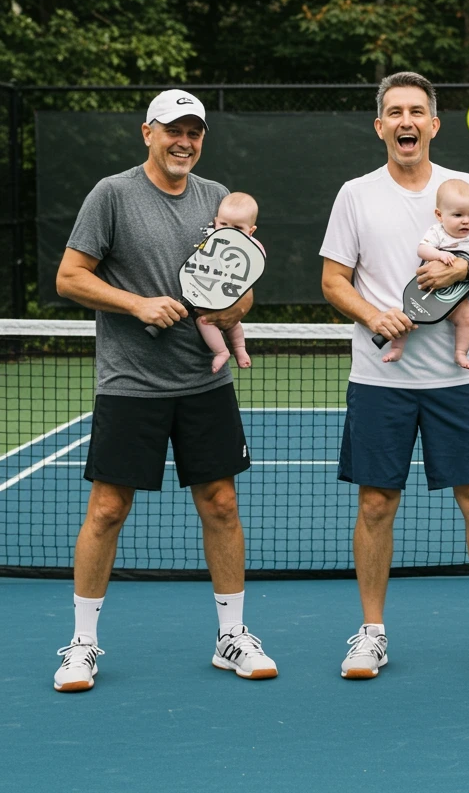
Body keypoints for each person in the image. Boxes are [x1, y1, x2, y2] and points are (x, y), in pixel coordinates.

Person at [52, 89, 277, 693]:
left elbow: (240, 291)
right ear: (147, 132)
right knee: (107, 509)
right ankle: (82, 644)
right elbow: (69, 276)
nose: (184, 141)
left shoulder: (217, 197)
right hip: (130, 383)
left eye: (194, 132)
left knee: (222, 504)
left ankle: (232, 636)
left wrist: (236, 302)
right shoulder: (112, 194)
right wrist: (137, 304)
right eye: (173, 130)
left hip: (204, 382)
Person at [320, 71, 469, 680]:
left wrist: (461, 272)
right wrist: (374, 316)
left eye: (417, 111)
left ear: (434, 124)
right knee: (375, 505)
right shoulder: (355, 194)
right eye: (395, 112)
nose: (406, 121)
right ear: (380, 126)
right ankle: (371, 635)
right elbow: (333, 280)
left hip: (455, 380)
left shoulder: (465, 189)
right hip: (379, 379)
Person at [383, 178, 469, 369]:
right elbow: (422, 250)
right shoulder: (437, 233)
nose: (466, 220)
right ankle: (397, 349)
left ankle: (461, 353)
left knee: (466, 319)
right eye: (458, 215)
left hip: (457, 298)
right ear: (439, 215)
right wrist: (439, 254)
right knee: (407, 317)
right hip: (428, 292)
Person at [197, 191, 265, 373]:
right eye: (223, 224)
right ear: (215, 222)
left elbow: (254, 266)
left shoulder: (251, 248)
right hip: (205, 297)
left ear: (251, 231)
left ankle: (238, 350)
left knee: (231, 323)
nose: (228, 230)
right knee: (205, 320)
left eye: (237, 228)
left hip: (229, 296)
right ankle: (223, 351)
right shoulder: (210, 241)